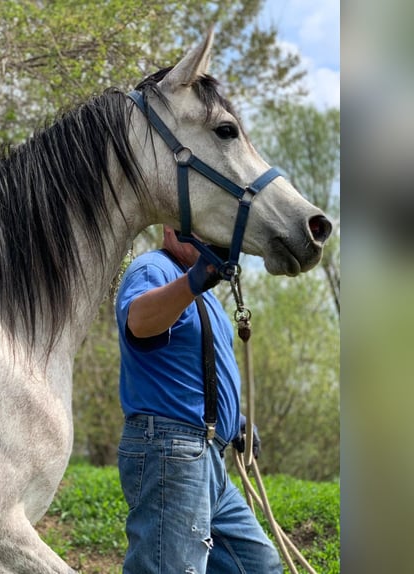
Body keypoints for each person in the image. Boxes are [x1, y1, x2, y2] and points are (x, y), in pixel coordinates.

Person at [115, 225, 282, 574]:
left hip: (208, 457)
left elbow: (202, 369)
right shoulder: (153, 269)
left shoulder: (202, 295)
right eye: (197, 230)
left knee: (256, 566)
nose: (207, 240)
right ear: (170, 230)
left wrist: (235, 423)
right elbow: (139, 322)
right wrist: (193, 282)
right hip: (170, 450)